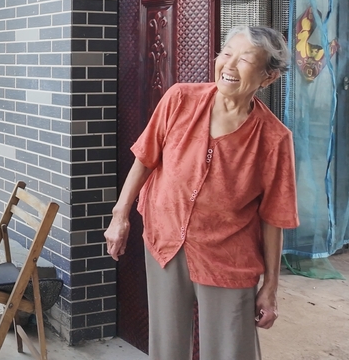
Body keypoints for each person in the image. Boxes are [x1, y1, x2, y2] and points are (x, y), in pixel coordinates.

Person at [104, 25, 299, 360]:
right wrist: (120, 215)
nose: (229, 65)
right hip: (165, 241)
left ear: (268, 78)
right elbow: (145, 157)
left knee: (230, 350)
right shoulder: (180, 99)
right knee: (167, 347)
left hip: (229, 256)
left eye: (245, 59)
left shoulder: (275, 139)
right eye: (227, 53)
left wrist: (270, 287)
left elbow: (274, 218)